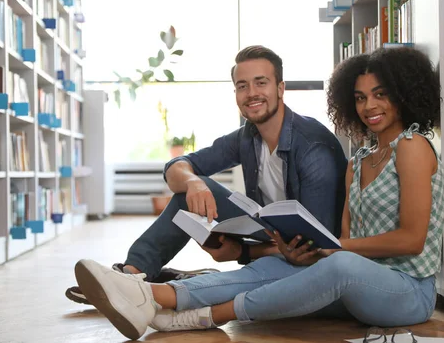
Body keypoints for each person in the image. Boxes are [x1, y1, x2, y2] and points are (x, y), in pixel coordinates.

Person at [73, 46, 444, 340]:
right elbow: (339, 242)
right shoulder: (359, 159)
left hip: (403, 290)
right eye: (361, 97)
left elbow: (405, 240)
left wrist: (256, 251)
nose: (369, 106)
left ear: (281, 88)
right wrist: (195, 182)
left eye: (380, 95)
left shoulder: (406, 145)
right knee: (273, 266)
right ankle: (145, 290)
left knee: (313, 264)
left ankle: (193, 309)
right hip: (339, 271)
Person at [65, 45, 348, 305]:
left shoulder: (313, 148)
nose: (252, 93)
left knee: (285, 256)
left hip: (310, 252)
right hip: (275, 232)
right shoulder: (248, 137)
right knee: (188, 194)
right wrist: (194, 182)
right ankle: (133, 274)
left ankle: (136, 283)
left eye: (261, 83)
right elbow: (177, 165)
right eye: (242, 86)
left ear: (281, 88)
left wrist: (243, 252)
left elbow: (317, 249)